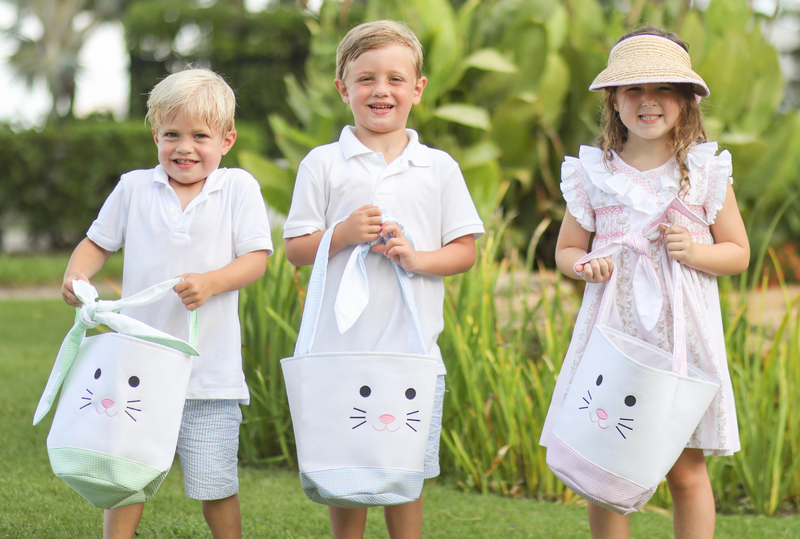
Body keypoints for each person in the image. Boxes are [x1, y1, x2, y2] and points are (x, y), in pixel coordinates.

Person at [539, 26, 750, 539]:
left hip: (684, 338)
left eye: (662, 89)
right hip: (614, 333)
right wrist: (582, 265)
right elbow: (567, 248)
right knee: (605, 458)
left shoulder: (703, 172)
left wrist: (696, 252)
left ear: (685, 101)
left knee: (686, 469)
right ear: (614, 100)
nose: (648, 102)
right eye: (634, 89)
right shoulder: (594, 174)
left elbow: (738, 253)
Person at [283, 19, 484, 539]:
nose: (381, 90)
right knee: (344, 468)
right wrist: (345, 232)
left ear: (417, 90)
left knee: (404, 469)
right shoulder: (323, 163)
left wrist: (416, 259)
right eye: (366, 78)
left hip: (411, 349)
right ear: (342, 87)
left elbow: (464, 252)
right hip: (339, 348)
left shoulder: (437, 168)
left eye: (396, 79)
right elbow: (296, 250)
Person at [61, 67, 273, 539]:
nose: (184, 147)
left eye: (201, 135)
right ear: (155, 134)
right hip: (137, 371)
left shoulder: (238, 189)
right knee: (125, 475)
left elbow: (256, 259)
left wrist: (215, 282)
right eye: (171, 134)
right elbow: (97, 243)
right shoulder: (135, 187)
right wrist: (77, 273)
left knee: (215, 484)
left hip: (209, 376)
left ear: (227, 139)